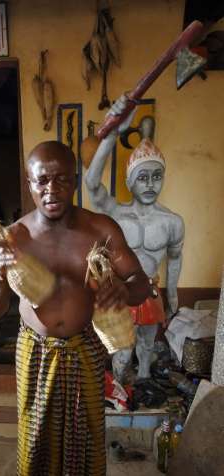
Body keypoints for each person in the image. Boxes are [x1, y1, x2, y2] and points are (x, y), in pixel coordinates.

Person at [0, 139, 151, 476]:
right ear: (30, 184)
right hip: (33, 349)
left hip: (85, 348)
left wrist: (121, 289)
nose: (51, 189)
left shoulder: (101, 230)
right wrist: (1, 274)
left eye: (61, 179)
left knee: (86, 436)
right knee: (35, 432)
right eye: (42, 181)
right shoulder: (14, 237)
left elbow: (143, 284)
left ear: (74, 181)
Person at [86, 96, 185, 382]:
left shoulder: (172, 221)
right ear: (129, 181)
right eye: (142, 177)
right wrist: (113, 132)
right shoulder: (116, 213)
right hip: (121, 291)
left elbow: (176, 258)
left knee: (146, 343)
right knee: (121, 348)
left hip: (151, 290)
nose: (151, 184)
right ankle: (118, 385)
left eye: (157, 176)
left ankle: (143, 382)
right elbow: (92, 184)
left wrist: (174, 295)